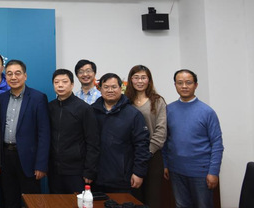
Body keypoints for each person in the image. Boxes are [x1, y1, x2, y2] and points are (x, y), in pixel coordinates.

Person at [163, 69, 224, 208]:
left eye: (188, 82)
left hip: (201, 172)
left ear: (196, 85)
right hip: (176, 171)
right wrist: (165, 164)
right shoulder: (168, 110)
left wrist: (213, 172)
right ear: (175, 85)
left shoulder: (207, 112)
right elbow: (165, 140)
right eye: (180, 83)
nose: (184, 86)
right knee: (181, 205)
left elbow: (217, 144)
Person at [0, 59, 49, 208]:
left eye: (17, 73)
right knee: (8, 199)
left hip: (29, 160)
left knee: (31, 202)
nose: (13, 77)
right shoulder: (2, 98)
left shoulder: (38, 98)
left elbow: (44, 134)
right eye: (9, 74)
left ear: (25, 76)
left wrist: (41, 164)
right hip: (6, 157)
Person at [92, 73, 150, 193]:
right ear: (100, 89)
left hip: (123, 178)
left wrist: (139, 172)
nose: (110, 90)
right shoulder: (91, 112)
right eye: (106, 87)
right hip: (96, 177)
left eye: (114, 87)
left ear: (121, 88)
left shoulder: (133, 114)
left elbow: (142, 145)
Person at [47, 69, 99, 194]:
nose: (60, 85)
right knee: (56, 202)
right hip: (54, 170)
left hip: (76, 170)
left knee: (76, 202)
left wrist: (89, 170)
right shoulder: (50, 107)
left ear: (72, 84)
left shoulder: (84, 108)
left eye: (64, 82)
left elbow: (93, 142)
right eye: (56, 82)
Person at [125, 65, 167, 208]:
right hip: (131, 156)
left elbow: (161, 131)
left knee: (152, 198)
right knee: (134, 198)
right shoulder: (125, 101)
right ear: (131, 80)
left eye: (143, 78)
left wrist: (145, 153)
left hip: (152, 155)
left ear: (149, 80)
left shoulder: (157, 101)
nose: (140, 81)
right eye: (136, 78)